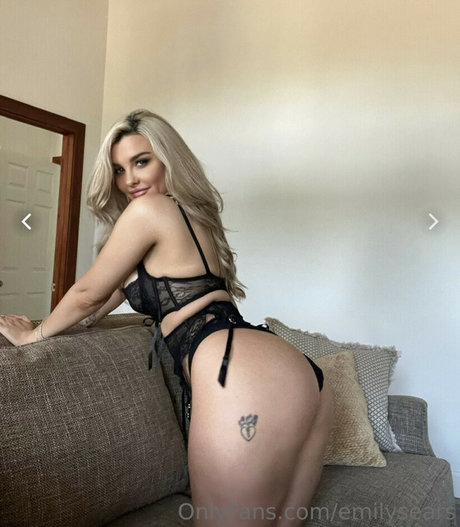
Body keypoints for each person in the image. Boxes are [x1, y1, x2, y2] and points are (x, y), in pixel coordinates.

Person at [0, 109, 333, 526]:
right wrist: (50, 325)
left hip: (240, 373)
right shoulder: (193, 218)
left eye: (141, 162)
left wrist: (32, 337)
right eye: (119, 169)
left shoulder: (150, 211)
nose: (129, 179)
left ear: (168, 160)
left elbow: (87, 294)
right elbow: (93, 310)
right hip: (297, 373)